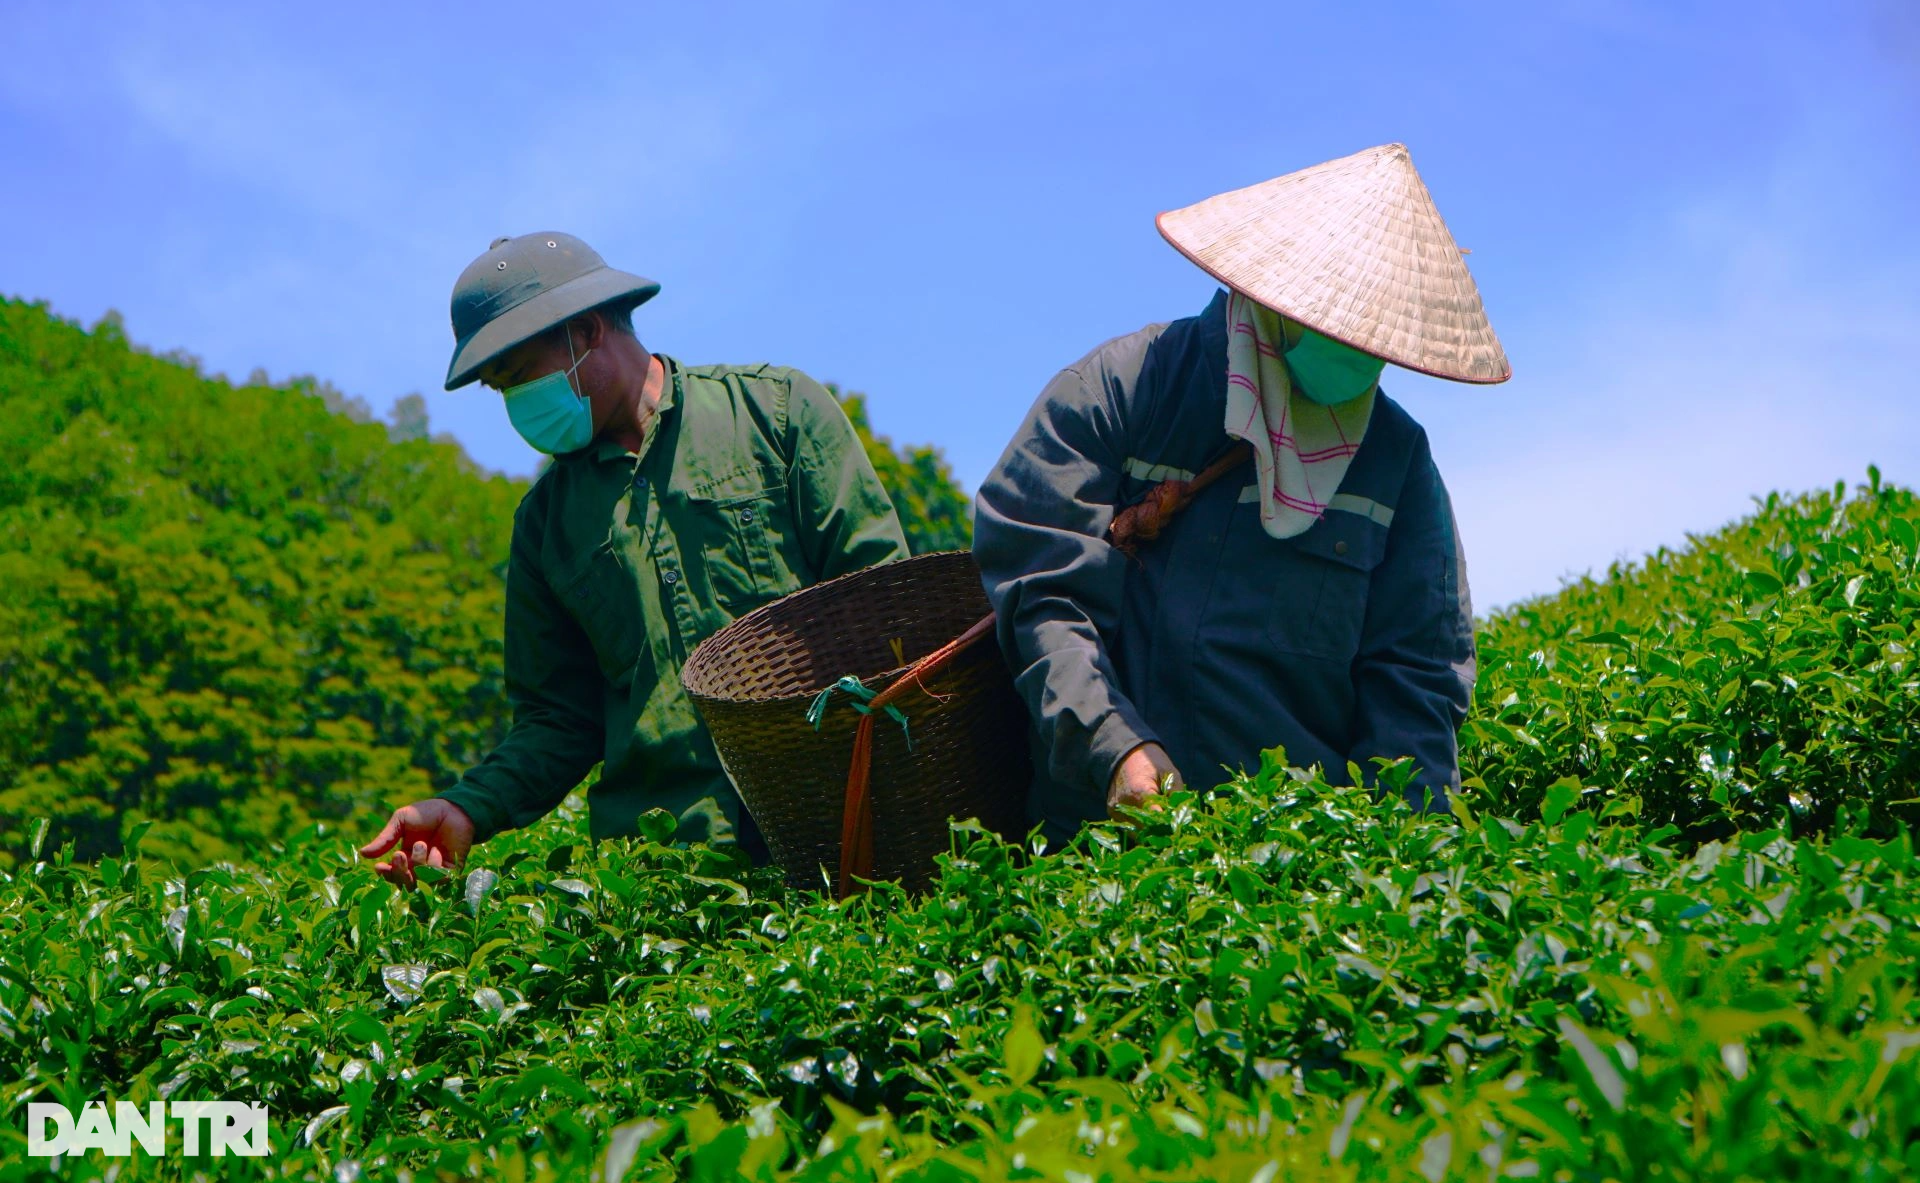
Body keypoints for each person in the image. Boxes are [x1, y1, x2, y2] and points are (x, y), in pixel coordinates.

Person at [973, 143, 1508, 843]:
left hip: (1294, 874)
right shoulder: (1125, 390)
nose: (1355, 345)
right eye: (1340, 318)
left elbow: (1418, 676)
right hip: (1098, 847)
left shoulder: (1396, 462)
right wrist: (1113, 746)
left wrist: (1400, 863)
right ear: (1278, 290)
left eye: (1375, 333)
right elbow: (1040, 588)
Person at [361, 232, 907, 886]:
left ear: (588, 331)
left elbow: (886, 607)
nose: (517, 407)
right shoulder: (545, 528)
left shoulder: (776, 413)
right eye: (499, 391)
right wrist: (466, 805)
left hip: (839, 841)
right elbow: (559, 720)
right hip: (667, 884)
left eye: (520, 379)